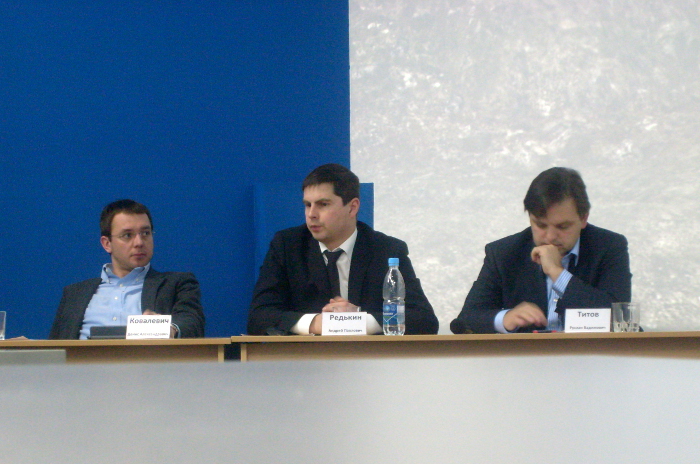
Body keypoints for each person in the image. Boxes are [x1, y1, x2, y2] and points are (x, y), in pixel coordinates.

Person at [248, 163, 438, 335]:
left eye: (323, 204)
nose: (311, 214)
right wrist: (316, 323)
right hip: (305, 360)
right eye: (307, 205)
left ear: (352, 207)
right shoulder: (287, 246)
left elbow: (423, 320)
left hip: (368, 360)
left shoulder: (387, 250)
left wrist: (358, 320)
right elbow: (259, 317)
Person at [453, 167, 631, 334]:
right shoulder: (504, 253)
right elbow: (466, 319)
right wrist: (505, 319)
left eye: (562, 226)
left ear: (583, 218)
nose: (550, 237)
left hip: (590, 354)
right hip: (526, 356)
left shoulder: (609, 246)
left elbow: (618, 317)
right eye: (540, 225)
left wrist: (557, 273)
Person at [49, 199, 205, 339]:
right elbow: (54, 348)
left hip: (147, 361)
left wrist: (169, 330)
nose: (139, 242)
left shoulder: (176, 284)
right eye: (127, 235)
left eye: (145, 233)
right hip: (83, 363)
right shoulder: (74, 294)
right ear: (107, 244)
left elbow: (191, 322)